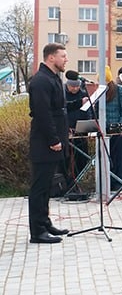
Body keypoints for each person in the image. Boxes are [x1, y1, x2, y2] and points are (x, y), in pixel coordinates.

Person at [28, 43, 70, 243]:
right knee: (40, 187)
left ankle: (45, 223)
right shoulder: (41, 81)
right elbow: (42, 113)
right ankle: (37, 232)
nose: (66, 60)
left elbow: (57, 109)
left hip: (53, 140)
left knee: (47, 186)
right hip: (44, 142)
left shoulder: (53, 78)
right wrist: (53, 139)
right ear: (51, 57)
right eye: (63, 56)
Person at [104, 68, 122, 189]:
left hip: (119, 132)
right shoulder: (100, 91)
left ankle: (120, 182)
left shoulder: (119, 90)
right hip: (106, 130)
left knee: (120, 158)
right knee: (109, 157)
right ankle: (109, 181)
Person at [64, 70, 90, 179]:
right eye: (72, 86)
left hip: (81, 130)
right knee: (66, 158)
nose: (75, 89)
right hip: (68, 130)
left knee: (82, 158)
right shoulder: (63, 94)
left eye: (77, 86)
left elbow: (88, 111)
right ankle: (67, 180)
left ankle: (80, 179)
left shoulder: (83, 94)